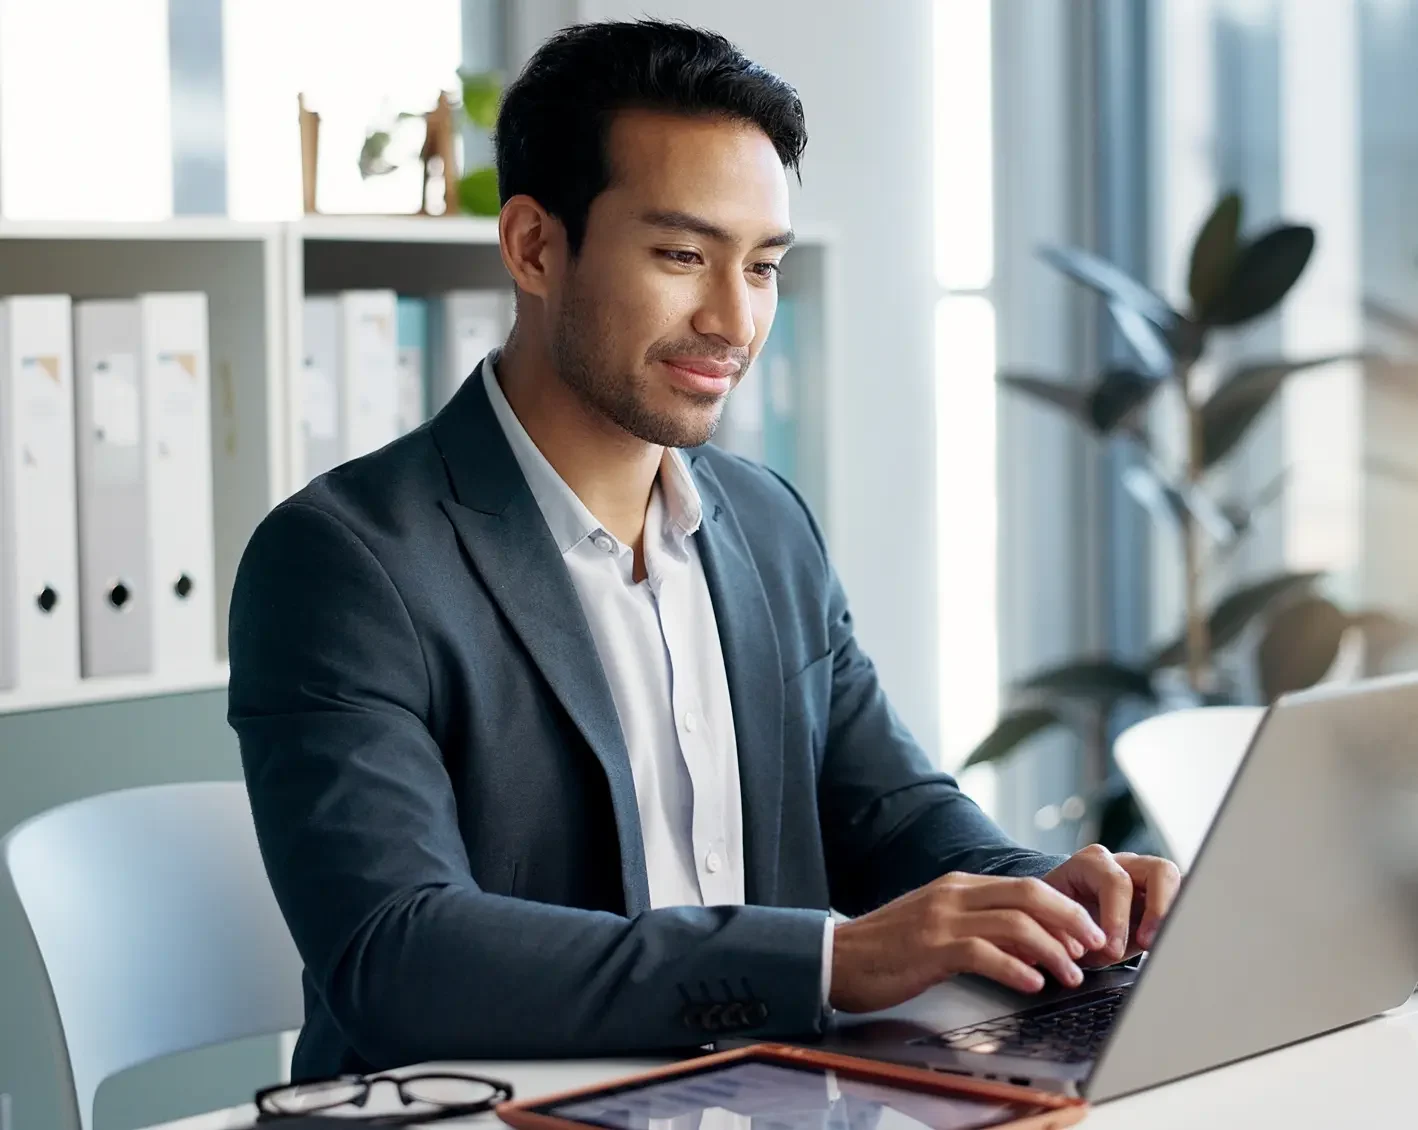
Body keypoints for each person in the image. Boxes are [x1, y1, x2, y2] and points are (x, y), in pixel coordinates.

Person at [228, 18, 1180, 1082]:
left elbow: (892, 814)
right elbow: (399, 956)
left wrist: (1056, 893)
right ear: (534, 246)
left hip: (760, 1092)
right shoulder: (343, 561)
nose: (733, 319)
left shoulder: (766, 523)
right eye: (681, 255)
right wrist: (829, 957)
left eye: (762, 265)